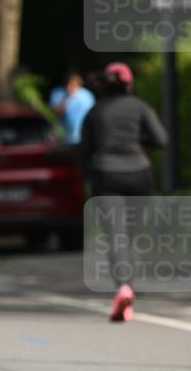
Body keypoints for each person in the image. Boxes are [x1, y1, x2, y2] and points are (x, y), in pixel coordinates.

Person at [78, 62, 167, 322]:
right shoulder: (140, 107)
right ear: (129, 84)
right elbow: (161, 139)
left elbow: (84, 152)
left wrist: (88, 177)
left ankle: (123, 288)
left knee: (116, 236)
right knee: (132, 236)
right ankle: (130, 290)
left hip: (106, 175)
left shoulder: (95, 111)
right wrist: (137, 140)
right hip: (139, 174)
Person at [48, 71, 95, 144]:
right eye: (68, 83)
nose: (69, 86)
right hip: (61, 136)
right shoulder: (57, 93)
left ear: (79, 85)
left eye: (73, 84)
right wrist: (66, 98)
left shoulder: (87, 95)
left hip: (81, 137)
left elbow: (91, 116)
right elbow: (54, 114)